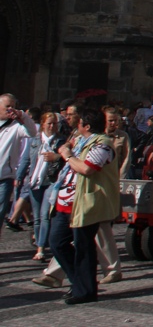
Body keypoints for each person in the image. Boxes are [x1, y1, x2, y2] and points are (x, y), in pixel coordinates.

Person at [49, 107, 119, 305]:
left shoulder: (103, 145)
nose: (76, 126)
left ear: (86, 126)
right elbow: (67, 148)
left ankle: (85, 290)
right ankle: (80, 282)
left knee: (83, 247)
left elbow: (87, 169)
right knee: (57, 243)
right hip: (66, 201)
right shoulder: (81, 140)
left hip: (86, 202)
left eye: (79, 123)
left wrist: (68, 156)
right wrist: (66, 150)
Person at [22, 112, 66, 262]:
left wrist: (57, 156)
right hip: (35, 180)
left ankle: (41, 248)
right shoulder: (35, 140)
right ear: (43, 124)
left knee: (44, 214)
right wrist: (19, 177)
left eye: (54, 123)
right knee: (36, 218)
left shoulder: (61, 141)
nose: (52, 126)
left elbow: (66, 157)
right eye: (49, 123)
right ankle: (39, 243)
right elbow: (26, 159)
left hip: (51, 181)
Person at [0, 93, 38, 243]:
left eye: (13, 107)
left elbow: (32, 132)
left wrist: (22, 115)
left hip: (4, 178)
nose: (10, 110)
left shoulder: (17, 127)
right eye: (7, 106)